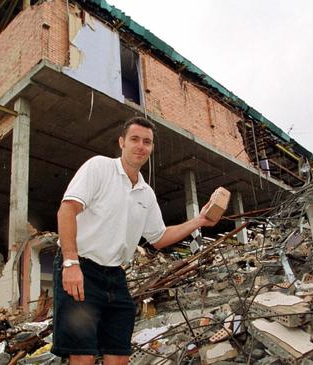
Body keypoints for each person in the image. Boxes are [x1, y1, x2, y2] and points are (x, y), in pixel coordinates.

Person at [51, 117, 220, 364]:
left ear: (151, 148)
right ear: (122, 142)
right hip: (81, 269)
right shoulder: (99, 167)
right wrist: (70, 263)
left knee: (119, 355)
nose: (141, 146)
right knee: (83, 356)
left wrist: (199, 221)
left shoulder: (146, 193)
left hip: (115, 277)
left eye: (147, 142)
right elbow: (67, 210)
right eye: (135, 139)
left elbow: (160, 238)